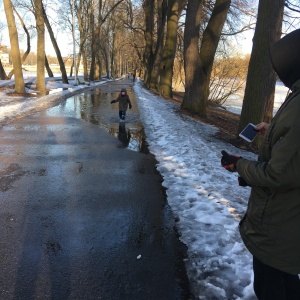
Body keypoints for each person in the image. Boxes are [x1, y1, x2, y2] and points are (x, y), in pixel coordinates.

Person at [221, 29, 300, 300]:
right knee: (285, 284)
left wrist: (240, 166)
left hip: (280, 225)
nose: (278, 75)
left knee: (270, 288)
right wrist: (273, 129)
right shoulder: (296, 96)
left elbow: (279, 174)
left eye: (281, 66)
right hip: (285, 223)